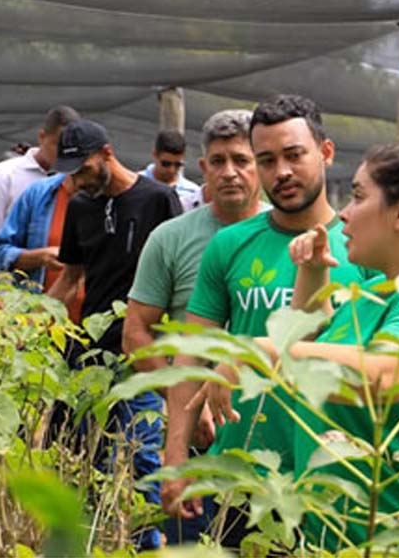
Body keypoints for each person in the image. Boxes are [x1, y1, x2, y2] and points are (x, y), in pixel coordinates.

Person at [200, 126, 399, 553]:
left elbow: (389, 375)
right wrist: (313, 271)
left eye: (357, 196)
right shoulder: (379, 293)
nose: (344, 215)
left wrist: (260, 352)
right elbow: (313, 336)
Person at [162, 94, 373, 548]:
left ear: (326, 152)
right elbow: (193, 354)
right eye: (267, 160)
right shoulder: (229, 245)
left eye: (294, 155)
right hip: (241, 473)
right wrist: (176, 455)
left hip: (336, 473)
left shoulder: (364, 248)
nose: (282, 172)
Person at [122, 109, 264, 544]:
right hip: (198, 436)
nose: (229, 172)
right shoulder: (171, 238)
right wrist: (185, 400)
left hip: (269, 432)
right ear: (202, 167)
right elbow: (136, 334)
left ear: (262, 163)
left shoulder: (291, 239)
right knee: (193, 542)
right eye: (218, 161)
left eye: (241, 160)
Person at [46, 120, 182, 549]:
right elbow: (71, 277)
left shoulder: (158, 199)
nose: (77, 180)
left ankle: (149, 546)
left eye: (83, 169)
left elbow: (181, 275)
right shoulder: (81, 206)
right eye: (70, 173)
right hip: (92, 354)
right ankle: (93, 543)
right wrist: (33, 319)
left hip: (142, 352)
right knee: (87, 456)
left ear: (106, 154)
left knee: (143, 457)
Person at [0, 106, 79, 307]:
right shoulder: (5, 175)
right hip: (3, 296)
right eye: (57, 144)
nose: (63, 154)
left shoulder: (78, 182)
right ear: (42, 137)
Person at [0, 172, 85, 320]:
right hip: (38, 321)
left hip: (94, 323)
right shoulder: (39, 193)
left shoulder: (111, 200)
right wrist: (40, 257)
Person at [140, 131, 200, 210]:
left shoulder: (193, 193)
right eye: (166, 164)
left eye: (178, 165)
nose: (171, 170)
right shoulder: (136, 184)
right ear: (155, 155)